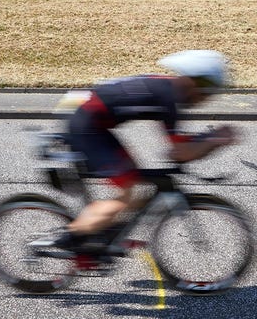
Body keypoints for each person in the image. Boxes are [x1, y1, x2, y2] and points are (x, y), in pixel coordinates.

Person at [42, 50, 237, 254]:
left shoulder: (167, 91)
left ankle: (102, 231)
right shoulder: (168, 98)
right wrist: (214, 140)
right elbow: (181, 153)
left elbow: (180, 147)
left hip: (94, 122)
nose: (207, 98)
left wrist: (205, 141)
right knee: (129, 193)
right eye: (208, 90)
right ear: (192, 82)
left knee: (138, 188)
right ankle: (68, 237)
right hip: (88, 127)